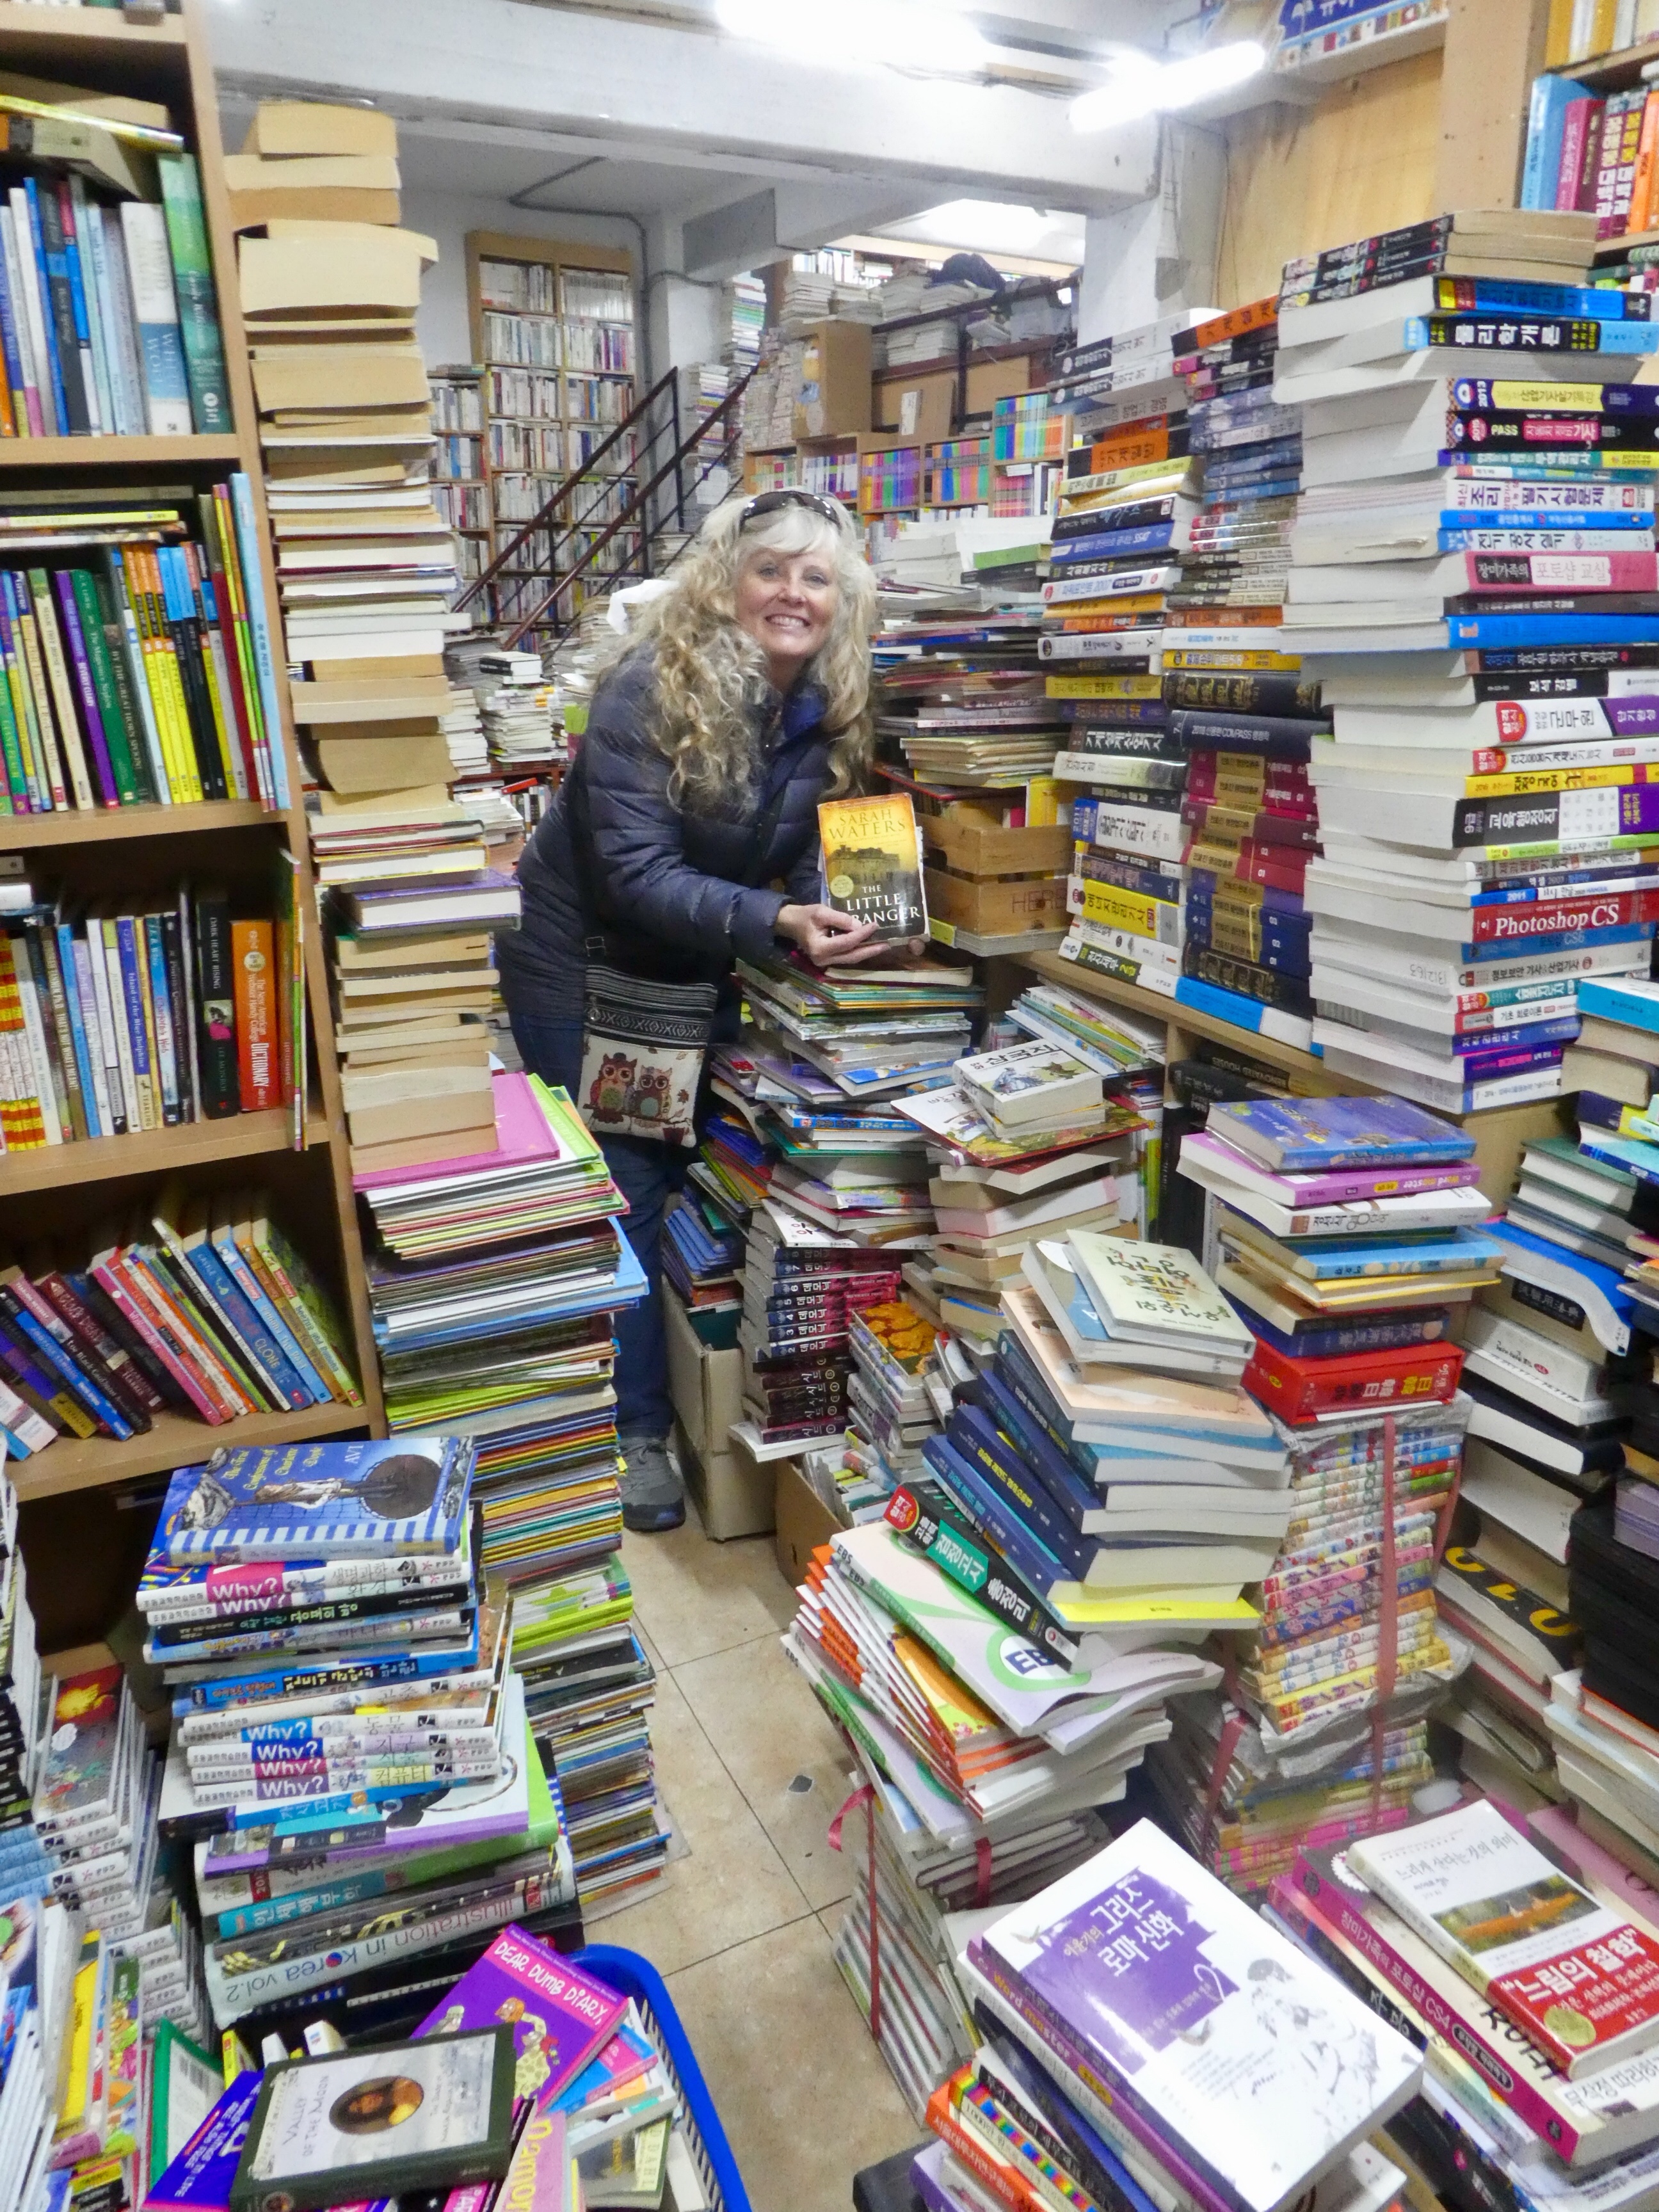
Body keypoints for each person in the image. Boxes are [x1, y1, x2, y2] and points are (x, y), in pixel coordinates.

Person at [497, 489, 904, 1534]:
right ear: (726, 582)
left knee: (710, 1162)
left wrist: (848, 909)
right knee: (628, 1182)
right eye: (771, 569)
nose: (793, 594)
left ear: (844, 600)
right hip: (583, 963)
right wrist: (779, 920)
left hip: (702, 951)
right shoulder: (648, 686)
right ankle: (637, 1429)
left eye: (817, 577)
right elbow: (634, 873)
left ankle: (691, 1382)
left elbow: (816, 838)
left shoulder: (830, 697)